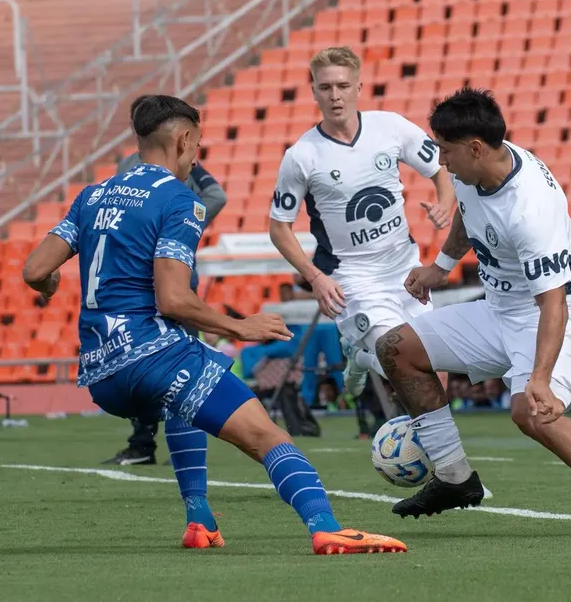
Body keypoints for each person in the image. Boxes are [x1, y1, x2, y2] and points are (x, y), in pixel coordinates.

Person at [22, 94, 405, 555]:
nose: (195, 156)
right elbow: (173, 298)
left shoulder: (92, 195)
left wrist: (48, 285)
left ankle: (200, 522)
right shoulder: (179, 201)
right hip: (152, 354)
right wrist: (240, 327)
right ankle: (325, 526)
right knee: (268, 436)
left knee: (182, 404)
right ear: (183, 140)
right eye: (197, 146)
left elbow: (33, 270)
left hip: (102, 374)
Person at [374, 88, 571, 538]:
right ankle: (455, 478)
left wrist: (540, 378)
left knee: (530, 411)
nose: (442, 162)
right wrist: (441, 267)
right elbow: (468, 216)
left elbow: (552, 301)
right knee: (395, 347)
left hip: (559, 310)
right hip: (502, 308)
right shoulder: (476, 170)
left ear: (475, 147)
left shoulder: (529, 208)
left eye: (447, 151)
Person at [268, 46, 455, 409]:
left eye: (342, 85)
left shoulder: (391, 127)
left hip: (405, 266)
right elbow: (279, 229)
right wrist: (315, 277)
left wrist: (444, 204)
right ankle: (367, 355)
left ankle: (428, 449)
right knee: (403, 359)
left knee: (436, 366)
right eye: (325, 88)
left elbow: (440, 168)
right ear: (313, 92)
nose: (334, 95)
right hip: (352, 275)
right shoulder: (302, 156)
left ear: (358, 87)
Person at [103, 122, 229, 466]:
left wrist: (185, 223)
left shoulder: (127, 167)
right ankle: (181, 445)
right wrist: (185, 227)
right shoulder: (183, 163)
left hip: (137, 276)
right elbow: (216, 196)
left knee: (141, 357)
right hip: (175, 270)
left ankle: (144, 444)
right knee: (181, 356)